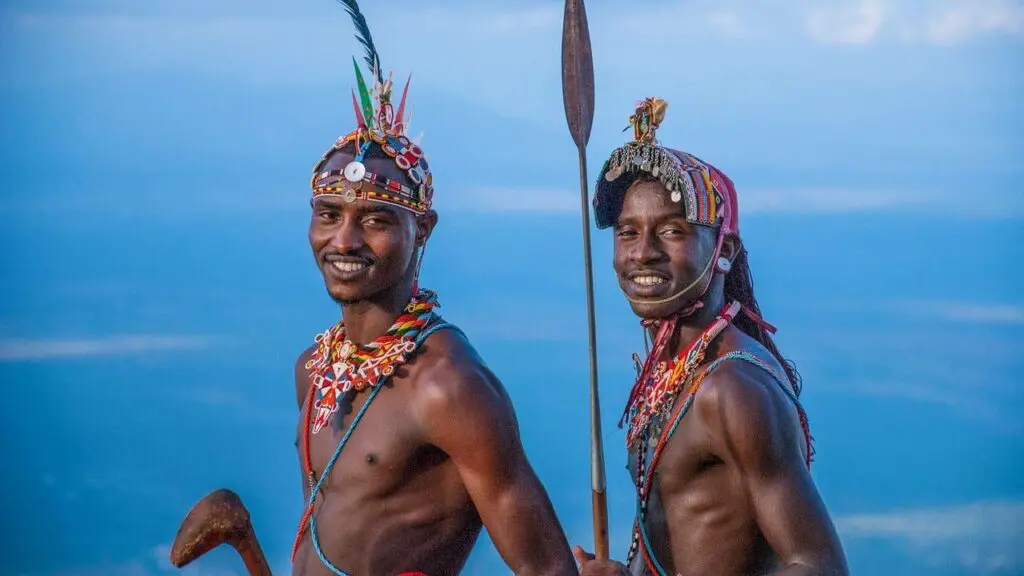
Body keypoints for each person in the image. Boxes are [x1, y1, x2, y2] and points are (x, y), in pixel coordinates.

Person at [289, 4, 576, 575]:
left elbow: (547, 568)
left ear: (423, 229)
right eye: (328, 214)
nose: (343, 240)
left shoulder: (449, 387)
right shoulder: (314, 370)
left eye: (374, 219)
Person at [573, 98, 849, 576]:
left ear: (725, 251)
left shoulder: (732, 389)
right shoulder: (671, 373)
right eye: (626, 232)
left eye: (673, 231)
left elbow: (818, 565)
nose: (643, 253)